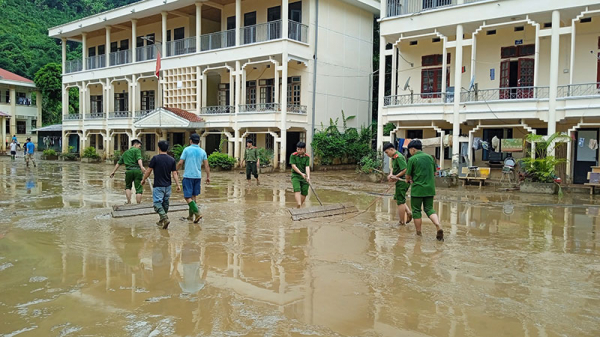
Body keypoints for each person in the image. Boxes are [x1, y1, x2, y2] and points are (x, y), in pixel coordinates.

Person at [405, 140, 444, 241]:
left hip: (417, 189)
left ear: (413, 149)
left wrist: (408, 180)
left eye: (409, 150)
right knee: (429, 209)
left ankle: (418, 233)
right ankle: (438, 225)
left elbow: (408, 176)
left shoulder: (412, 159)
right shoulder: (430, 158)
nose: (410, 152)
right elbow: (434, 172)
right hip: (430, 189)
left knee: (417, 211)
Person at [142, 140, 181, 229]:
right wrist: (178, 185)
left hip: (158, 185)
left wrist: (143, 179)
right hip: (168, 186)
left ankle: (164, 217)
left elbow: (148, 171)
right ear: (167, 149)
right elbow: (174, 173)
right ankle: (162, 221)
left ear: (158, 148)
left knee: (157, 203)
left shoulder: (155, 158)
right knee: (165, 203)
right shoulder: (172, 159)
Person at [176, 134, 210, 224]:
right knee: (193, 196)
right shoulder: (202, 151)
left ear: (190, 141)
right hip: (198, 176)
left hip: (188, 176)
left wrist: (175, 170)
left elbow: (180, 162)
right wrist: (208, 176)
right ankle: (191, 217)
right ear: (198, 141)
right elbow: (206, 165)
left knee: (187, 197)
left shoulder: (187, 149)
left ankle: (197, 213)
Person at [383, 142, 413, 226]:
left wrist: (396, 176)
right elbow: (393, 168)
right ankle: (408, 212)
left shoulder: (399, 157)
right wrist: (391, 175)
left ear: (391, 149)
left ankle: (401, 222)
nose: (387, 154)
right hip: (399, 181)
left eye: (387, 152)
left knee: (400, 201)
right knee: (398, 198)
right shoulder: (394, 157)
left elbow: (405, 170)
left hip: (402, 181)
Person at [109, 139, 146, 204]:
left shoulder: (125, 153)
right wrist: (142, 167)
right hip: (137, 171)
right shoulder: (137, 150)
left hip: (128, 171)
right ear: (135, 145)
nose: (140, 148)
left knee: (128, 187)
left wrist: (113, 171)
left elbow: (118, 163)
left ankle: (129, 202)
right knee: (138, 189)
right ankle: (138, 204)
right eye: (139, 146)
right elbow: (139, 159)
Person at [290, 142, 311, 208]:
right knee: (297, 189)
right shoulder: (293, 155)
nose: (298, 151)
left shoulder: (307, 157)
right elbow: (293, 166)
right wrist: (301, 173)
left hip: (304, 176)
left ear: (304, 149)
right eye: (297, 149)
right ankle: (298, 203)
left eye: (300, 149)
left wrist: (308, 177)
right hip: (295, 175)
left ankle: (299, 206)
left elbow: (307, 167)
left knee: (304, 192)